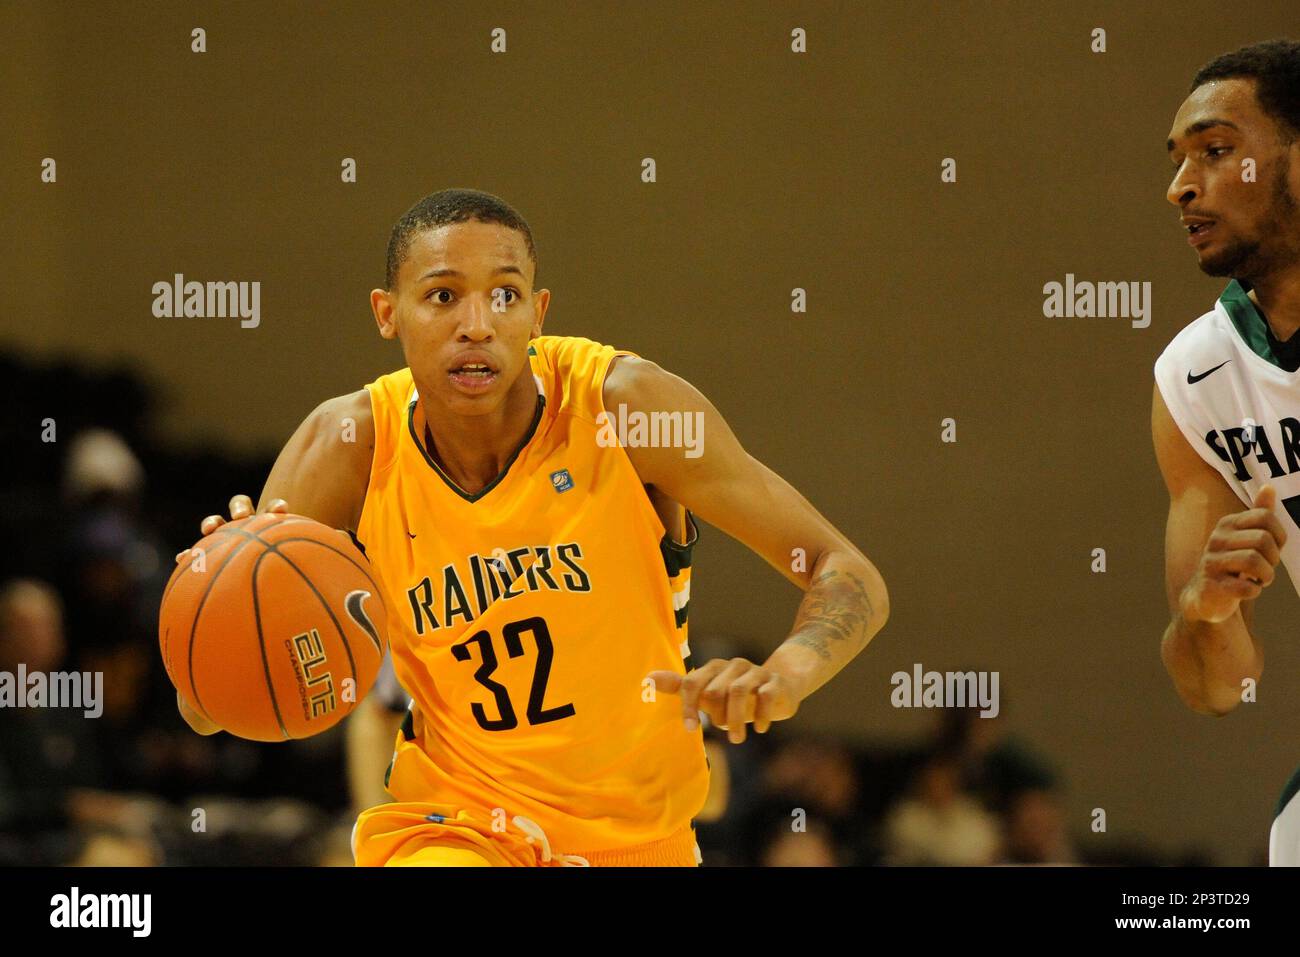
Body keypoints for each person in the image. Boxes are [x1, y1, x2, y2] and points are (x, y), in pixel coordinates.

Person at [174, 188, 890, 867]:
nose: (478, 323)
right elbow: (203, 710)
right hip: (459, 826)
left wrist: (785, 675)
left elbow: (847, 570)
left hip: (641, 834)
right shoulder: (346, 446)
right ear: (387, 312)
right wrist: (223, 596)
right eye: (443, 295)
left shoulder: (626, 406)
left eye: (505, 295)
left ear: (538, 311)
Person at [1151, 40, 1300, 865]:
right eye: (1178, 162)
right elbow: (1214, 687)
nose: (1180, 186)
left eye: (1216, 151)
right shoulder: (1193, 379)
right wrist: (1205, 609)